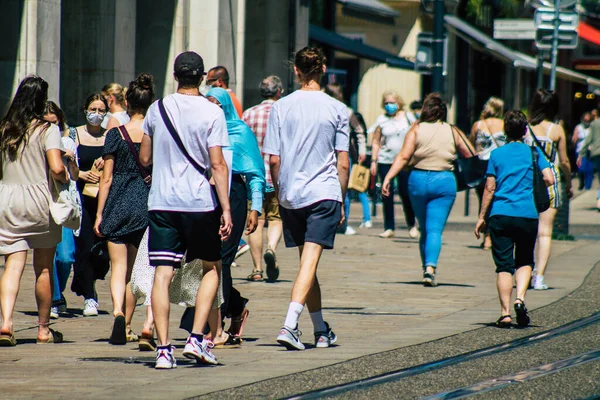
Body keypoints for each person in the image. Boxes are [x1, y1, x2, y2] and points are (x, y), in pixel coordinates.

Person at [139, 51, 232, 369]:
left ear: (176, 76)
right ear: (202, 76)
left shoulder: (157, 109)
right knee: (211, 268)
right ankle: (196, 339)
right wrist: (227, 208)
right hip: (199, 204)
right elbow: (218, 164)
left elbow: (145, 158)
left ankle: (164, 350)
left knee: (162, 275)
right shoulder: (212, 112)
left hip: (163, 202)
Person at [264, 47, 350, 351]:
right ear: (323, 69)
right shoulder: (338, 109)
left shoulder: (280, 107)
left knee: (306, 264)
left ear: (296, 71)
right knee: (308, 264)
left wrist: (277, 191)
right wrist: (341, 197)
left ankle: (321, 330)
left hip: (291, 195)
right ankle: (289, 325)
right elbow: (343, 161)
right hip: (323, 192)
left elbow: (273, 159)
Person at [0, 76, 68, 346]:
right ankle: (43, 329)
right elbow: (55, 167)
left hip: (8, 199)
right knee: (43, 268)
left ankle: (5, 324)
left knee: (12, 265)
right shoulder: (46, 129)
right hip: (40, 200)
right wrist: (64, 177)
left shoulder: (6, 128)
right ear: (42, 100)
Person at [382, 93, 476, 287]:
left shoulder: (415, 128)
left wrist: (388, 178)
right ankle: (430, 269)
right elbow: (470, 153)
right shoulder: (452, 130)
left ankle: (425, 266)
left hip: (417, 180)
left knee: (424, 228)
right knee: (435, 229)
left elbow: (403, 156)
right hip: (444, 181)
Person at [475, 110, 555, 328]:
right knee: (525, 261)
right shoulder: (533, 153)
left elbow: (490, 188)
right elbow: (549, 178)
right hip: (527, 214)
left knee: (503, 266)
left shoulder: (497, 155)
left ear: (506, 131)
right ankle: (520, 299)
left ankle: (505, 313)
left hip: (500, 215)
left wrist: (482, 217)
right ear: (525, 130)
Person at [94, 74, 155, 345]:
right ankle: (134, 324)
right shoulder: (154, 133)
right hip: (145, 203)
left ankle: (118, 312)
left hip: (118, 201)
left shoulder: (114, 134)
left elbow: (105, 178)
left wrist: (99, 214)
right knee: (139, 269)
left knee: (118, 267)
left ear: (127, 102)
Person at [203, 87, 264, 341]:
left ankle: (213, 325)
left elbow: (254, 174)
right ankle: (235, 306)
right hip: (206, 195)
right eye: (208, 103)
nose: (212, 108)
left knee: (224, 259)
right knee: (208, 260)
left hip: (235, 195)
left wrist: (256, 207)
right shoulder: (201, 128)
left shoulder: (240, 131)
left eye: (217, 104)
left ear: (226, 106)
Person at [68, 94, 110, 316]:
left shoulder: (111, 136)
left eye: (101, 110)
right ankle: (89, 295)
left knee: (103, 252)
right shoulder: (74, 133)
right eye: (93, 108)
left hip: (105, 200)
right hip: (81, 199)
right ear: (85, 109)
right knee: (83, 246)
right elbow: (68, 164)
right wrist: (82, 174)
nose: (97, 113)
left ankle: (87, 280)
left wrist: (108, 160)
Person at [525, 89, 572, 290]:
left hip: (526, 180)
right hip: (550, 182)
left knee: (526, 230)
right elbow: (564, 161)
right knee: (544, 233)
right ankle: (540, 277)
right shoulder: (556, 130)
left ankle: (523, 272)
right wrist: (568, 182)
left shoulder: (525, 128)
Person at [242, 75, 285, 282]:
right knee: (276, 218)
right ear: (279, 91)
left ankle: (257, 269)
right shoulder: (285, 113)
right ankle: (271, 248)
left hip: (254, 177)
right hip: (278, 175)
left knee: (256, 221)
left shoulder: (249, 114)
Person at [44, 101, 80, 319]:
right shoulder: (36, 141)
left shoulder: (67, 141)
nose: (50, 128)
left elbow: (74, 175)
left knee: (65, 257)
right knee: (47, 254)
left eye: (54, 123)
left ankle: (58, 292)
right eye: (46, 123)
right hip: (42, 201)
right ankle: (55, 299)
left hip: (63, 202)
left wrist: (70, 158)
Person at [370, 91, 418, 239]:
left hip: (404, 161)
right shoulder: (381, 120)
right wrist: (374, 160)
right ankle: (389, 227)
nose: (389, 105)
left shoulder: (408, 118)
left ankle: (412, 225)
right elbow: (376, 141)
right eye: (386, 103)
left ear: (398, 102)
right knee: (386, 193)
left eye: (391, 102)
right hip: (386, 160)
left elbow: (417, 135)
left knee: (405, 192)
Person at [324, 83, 371, 235]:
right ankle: (336, 223)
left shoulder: (347, 111)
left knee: (343, 188)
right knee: (341, 189)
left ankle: (342, 223)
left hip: (340, 154)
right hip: (332, 154)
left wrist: (362, 150)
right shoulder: (324, 109)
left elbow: (359, 131)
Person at [469, 97, 506, 250]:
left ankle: (487, 237)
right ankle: (495, 236)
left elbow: (471, 145)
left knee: (484, 202)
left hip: (482, 166)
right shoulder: (504, 125)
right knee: (498, 202)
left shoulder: (478, 125)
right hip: (501, 166)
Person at [577, 112, 600, 211]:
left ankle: (599, 201)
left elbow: (588, 139)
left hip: (597, 153)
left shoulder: (595, 124)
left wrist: (581, 153)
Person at [573, 112, 593, 191]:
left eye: (588, 120)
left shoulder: (592, 127)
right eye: (585, 120)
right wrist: (575, 139)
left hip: (590, 150)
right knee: (581, 168)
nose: (586, 122)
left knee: (589, 169)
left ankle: (588, 186)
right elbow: (574, 138)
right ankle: (581, 182)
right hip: (580, 150)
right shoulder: (578, 127)